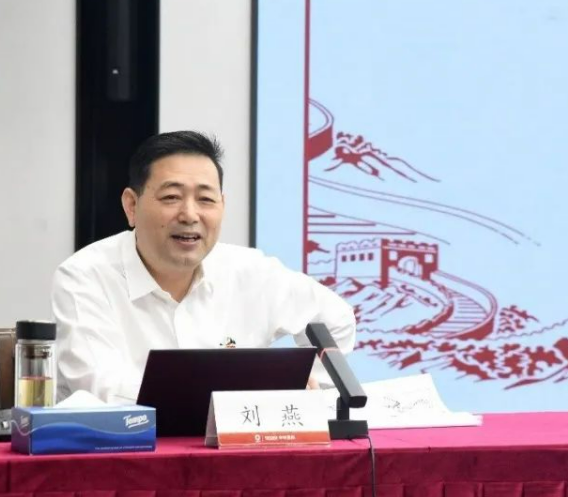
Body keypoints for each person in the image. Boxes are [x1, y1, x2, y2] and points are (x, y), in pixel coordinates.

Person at [52, 131, 356, 403]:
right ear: (132, 206)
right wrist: (244, 392)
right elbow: (98, 391)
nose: (189, 214)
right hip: (130, 447)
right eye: (171, 197)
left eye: (206, 199)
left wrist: (302, 390)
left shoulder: (250, 271)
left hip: (234, 448)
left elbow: (336, 320)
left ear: (222, 205)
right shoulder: (85, 276)